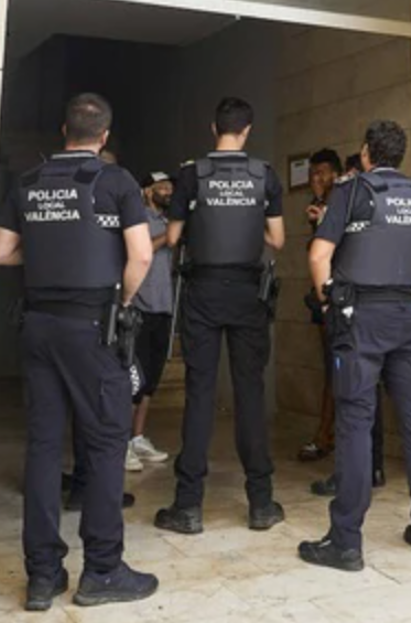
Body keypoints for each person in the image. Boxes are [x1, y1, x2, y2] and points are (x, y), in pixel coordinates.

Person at [0, 93, 159, 610]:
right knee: (106, 441)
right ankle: (103, 570)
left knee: (43, 448)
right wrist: (123, 300)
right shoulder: (116, 181)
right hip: (92, 326)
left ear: (64, 129)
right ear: (103, 136)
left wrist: (45, 250)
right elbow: (142, 254)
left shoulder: (30, 182)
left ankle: (42, 576)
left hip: (39, 325)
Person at [298, 120, 411, 572]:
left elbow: (318, 254)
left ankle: (346, 540)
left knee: (355, 421)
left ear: (367, 153)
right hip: (406, 319)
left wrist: (327, 299)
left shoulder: (351, 192)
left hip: (360, 320)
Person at [154, 97, 287, 535]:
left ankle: (188, 506)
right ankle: (262, 503)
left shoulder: (192, 174)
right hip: (248, 293)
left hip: (203, 292)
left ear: (215, 128)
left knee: (200, 393)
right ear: (247, 131)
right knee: (249, 392)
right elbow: (278, 239)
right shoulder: (264, 174)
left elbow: (172, 238)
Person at [309, 151, 386, 498]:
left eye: (329, 174)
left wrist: (327, 304)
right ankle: (370, 467)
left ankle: (358, 471)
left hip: (349, 309)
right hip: (375, 309)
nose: (320, 181)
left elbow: (324, 255)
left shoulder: (351, 201)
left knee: (352, 390)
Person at [127, 171, 176, 469]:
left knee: (151, 381)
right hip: (141, 308)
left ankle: (138, 437)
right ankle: (121, 443)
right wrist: (167, 236)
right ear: (147, 191)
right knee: (134, 379)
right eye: (162, 187)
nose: (168, 191)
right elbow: (141, 249)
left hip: (163, 307)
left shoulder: (168, 220)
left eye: (170, 186)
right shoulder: (139, 216)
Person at [297, 148, 343, 464]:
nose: (317, 178)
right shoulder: (320, 207)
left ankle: (326, 435)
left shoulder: (342, 202)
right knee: (330, 369)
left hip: (341, 299)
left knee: (337, 370)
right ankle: (326, 432)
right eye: (313, 173)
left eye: (322, 172)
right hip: (324, 299)